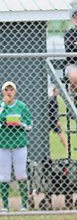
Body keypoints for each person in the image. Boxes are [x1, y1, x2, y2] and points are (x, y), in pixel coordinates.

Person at [0, 81, 32, 212]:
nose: (9, 92)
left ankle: (24, 205)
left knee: (21, 174)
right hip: (3, 144)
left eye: (11, 90)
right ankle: (5, 206)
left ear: (15, 91)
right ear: (2, 92)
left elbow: (29, 125)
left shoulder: (21, 106)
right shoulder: (1, 106)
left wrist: (20, 124)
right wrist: (4, 107)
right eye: (6, 90)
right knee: (4, 176)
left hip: (19, 144)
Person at [48, 87, 68, 152]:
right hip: (52, 120)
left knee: (60, 133)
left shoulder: (54, 99)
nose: (58, 93)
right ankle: (66, 148)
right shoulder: (52, 100)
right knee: (60, 133)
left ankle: (66, 148)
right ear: (54, 91)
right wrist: (57, 120)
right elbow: (53, 112)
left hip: (51, 119)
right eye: (56, 91)